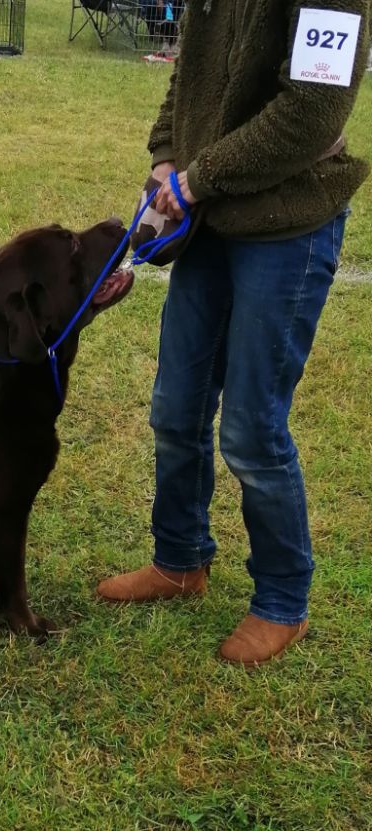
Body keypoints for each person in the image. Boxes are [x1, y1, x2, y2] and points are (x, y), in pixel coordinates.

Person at [98, 0, 370, 667]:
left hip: (286, 225)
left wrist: (197, 177)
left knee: (252, 430)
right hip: (209, 220)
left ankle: (282, 601)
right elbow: (185, 80)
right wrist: (166, 157)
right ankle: (180, 559)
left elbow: (312, 113)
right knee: (176, 409)